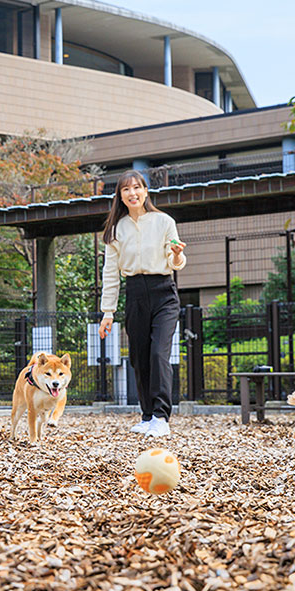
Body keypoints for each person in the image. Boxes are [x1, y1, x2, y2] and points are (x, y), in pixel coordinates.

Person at [98, 170, 186, 438]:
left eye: (137, 188)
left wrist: (177, 255)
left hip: (164, 293)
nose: (132, 193)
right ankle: (147, 416)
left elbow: (174, 262)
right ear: (120, 196)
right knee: (139, 356)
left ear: (146, 191)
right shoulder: (116, 229)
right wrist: (107, 313)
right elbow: (111, 273)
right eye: (126, 189)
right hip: (134, 293)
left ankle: (161, 417)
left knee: (159, 353)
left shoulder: (164, 221)